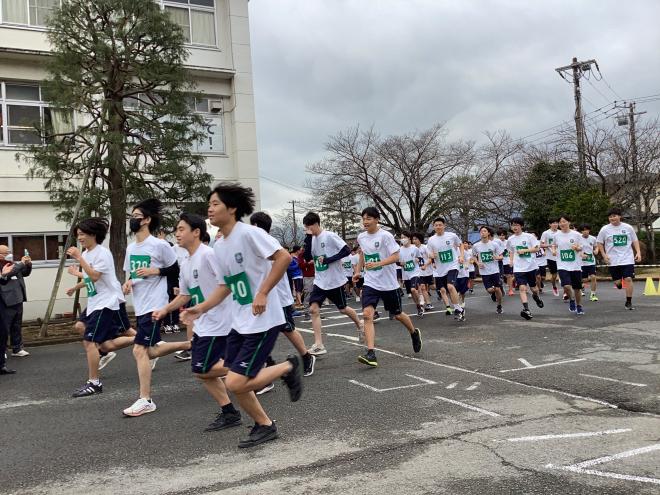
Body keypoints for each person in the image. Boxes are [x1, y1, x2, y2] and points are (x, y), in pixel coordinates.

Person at [183, 183, 302, 448]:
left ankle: (289, 366)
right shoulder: (219, 244)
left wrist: (262, 292)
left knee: (236, 382)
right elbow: (226, 285)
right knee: (236, 381)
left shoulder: (249, 234)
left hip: (262, 319)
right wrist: (200, 308)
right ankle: (265, 425)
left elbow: (283, 258)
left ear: (232, 208)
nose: (210, 209)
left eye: (215, 204)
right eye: (209, 204)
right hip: (240, 321)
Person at [153, 213, 241, 432]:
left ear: (196, 232)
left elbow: (226, 285)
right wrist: (166, 309)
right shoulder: (185, 263)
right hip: (204, 324)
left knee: (202, 368)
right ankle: (229, 411)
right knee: (202, 371)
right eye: (177, 229)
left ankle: (252, 370)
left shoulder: (209, 255)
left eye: (181, 229)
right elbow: (185, 295)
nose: (177, 233)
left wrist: (204, 308)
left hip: (220, 323)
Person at [121, 199, 191, 417]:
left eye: (137, 216)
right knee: (149, 350)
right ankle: (193, 344)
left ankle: (146, 399)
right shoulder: (131, 247)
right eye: (131, 216)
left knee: (139, 349)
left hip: (155, 303)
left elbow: (174, 269)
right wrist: (128, 281)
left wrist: (155, 272)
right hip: (140, 303)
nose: (133, 220)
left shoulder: (159, 245)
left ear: (147, 220)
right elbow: (131, 272)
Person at [66, 218, 136, 397]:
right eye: (78, 234)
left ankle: (94, 382)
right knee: (93, 336)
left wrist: (79, 258)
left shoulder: (102, 253)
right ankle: (140, 339)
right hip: (95, 302)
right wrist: (76, 285)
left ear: (94, 235)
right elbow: (90, 278)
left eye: (82, 234)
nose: (79, 238)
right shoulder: (88, 254)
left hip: (107, 302)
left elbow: (95, 276)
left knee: (90, 341)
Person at [250, 211, 316, 380]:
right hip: (263, 297)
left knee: (287, 328)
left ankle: (306, 356)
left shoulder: (268, 241)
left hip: (278, 296)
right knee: (258, 331)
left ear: (256, 226)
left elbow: (283, 259)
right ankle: (267, 365)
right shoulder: (255, 242)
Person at [353, 207, 422, 367]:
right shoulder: (361, 237)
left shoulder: (385, 236)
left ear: (377, 220)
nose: (365, 221)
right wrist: (358, 271)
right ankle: (371, 353)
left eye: (369, 218)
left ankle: (413, 332)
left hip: (388, 284)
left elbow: (396, 256)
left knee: (397, 314)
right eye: (363, 218)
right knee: (367, 314)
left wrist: (378, 263)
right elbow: (362, 254)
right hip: (371, 282)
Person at [302, 211, 363, 355]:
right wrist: (308, 238)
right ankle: (319, 344)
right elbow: (306, 257)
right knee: (313, 309)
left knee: (343, 308)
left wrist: (329, 259)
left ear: (316, 224)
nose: (308, 230)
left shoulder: (329, 236)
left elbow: (346, 250)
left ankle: (360, 324)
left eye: (309, 227)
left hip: (334, 280)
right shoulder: (311, 239)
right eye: (306, 228)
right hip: (319, 280)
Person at [596, 207, 642, 310]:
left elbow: (635, 240)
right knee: (617, 282)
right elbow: (599, 242)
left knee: (628, 279)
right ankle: (619, 283)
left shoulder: (628, 227)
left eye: (614, 216)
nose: (612, 218)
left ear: (619, 216)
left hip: (627, 258)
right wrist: (604, 254)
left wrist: (638, 252)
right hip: (613, 260)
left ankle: (628, 302)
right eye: (610, 217)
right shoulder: (605, 229)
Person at [425, 217, 465, 321]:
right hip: (440, 268)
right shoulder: (431, 240)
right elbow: (429, 253)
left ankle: (457, 309)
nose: (438, 227)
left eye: (440, 225)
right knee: (447, 290)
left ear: (444, 226)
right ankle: (460, 308)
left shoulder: (452, 236)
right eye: (436, 225)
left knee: (450, 286)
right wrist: (432, 256)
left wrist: (461, 256)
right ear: (433, 227)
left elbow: (460, 245)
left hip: (453, 265)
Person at [506, 218, 544, 320]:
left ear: (521, 226)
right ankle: (526, 309)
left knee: (534, 289)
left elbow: (537, 248)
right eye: (513, 225)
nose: (515, 227)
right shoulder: (510, 239)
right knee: (522, 288)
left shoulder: (529, 237)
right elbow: (511, 251)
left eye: (517, 225)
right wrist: (511, 261)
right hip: (518, 268)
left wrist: (525, 250)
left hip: (531, 267)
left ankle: (536, 297)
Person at [0, 245, 32, 361]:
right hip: (6, 300)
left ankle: (17, 348)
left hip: (18, 298)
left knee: (16, 325)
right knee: (4, 328)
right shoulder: (3, 265)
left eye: (9, 251)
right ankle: (2, 351)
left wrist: (28, 264)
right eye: (6, 252)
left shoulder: (13, 263)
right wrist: (21, 264)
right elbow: (8, 274)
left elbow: (24, 273)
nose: (9, 254)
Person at [550, 214, 585, 316]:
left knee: (577, 288)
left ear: (569, 222)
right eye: (560, 222)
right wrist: (553, 250)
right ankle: (571, 300)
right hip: (562, 264)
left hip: (575, 265)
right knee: (566, 286)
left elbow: (581, 247)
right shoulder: (556, 235)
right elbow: (554, 245)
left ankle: (579, 305)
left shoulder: (576, 234)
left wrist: (577, 248)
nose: (562, 224)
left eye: (564, 221)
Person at [472, 226, 504, 314]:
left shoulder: (494, 244)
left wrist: (497, 257)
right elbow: (474, 256)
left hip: (494, 270)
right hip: (484, 271)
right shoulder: (476, 245)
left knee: (497, 288)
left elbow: (501, 256)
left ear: (488, 233)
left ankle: (499, 305)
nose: (483, 232)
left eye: (485, 231)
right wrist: (478, 263)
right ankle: (495, 291)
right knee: (489, 290)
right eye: (481, 231)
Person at [398, 231, 424, 317]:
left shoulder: (414, 248)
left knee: (413, 289)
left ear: (409, 238)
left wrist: (418, 260)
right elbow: (396, 262)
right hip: (406, 274)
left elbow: (420, 258)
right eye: (401, 238)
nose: (402, 239)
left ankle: (420, 299)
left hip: (415, 272)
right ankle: (418, 306)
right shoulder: (399, 250)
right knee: (411, 292)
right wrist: (400, 263)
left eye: (404, 237)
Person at [411, 233, 433, 311]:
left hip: (428, 270)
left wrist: (425, 265)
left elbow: (431, 258)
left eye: (416, 239)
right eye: (413, 239)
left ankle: (440, 291)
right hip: (418, 272)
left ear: (420, 239)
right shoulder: (412, 248)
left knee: (432, 287)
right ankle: (428, 303)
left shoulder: (425, 247)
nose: (414, 241)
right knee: (422, 287)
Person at [579, 223, 599, 301]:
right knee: (584, 280)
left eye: (587, 230)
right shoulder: (578, 238)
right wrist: (581, 254)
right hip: (581, 262)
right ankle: (582, 287)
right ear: (581, 231)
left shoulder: (593, 238)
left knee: (593, 277)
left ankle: (593, 294)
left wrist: (596, 250)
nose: (585, 231)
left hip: (591, 261)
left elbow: (596, 246)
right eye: (583, 230)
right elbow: (575, 249)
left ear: (589, 230)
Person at [541, 218, 560, 297]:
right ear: (550, 224)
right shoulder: (546, 233)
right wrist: (550, 246)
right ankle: (554, 286)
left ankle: (566, 291)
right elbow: (541, 245)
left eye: (556, 223)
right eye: (553, 223)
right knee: (554, 275)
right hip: (551, 257)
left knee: (563, 273)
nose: (555, 224)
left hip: (561, 256)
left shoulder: (560, 232)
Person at [496, 229, 514, 296]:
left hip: (507, 261)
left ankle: (510, 289)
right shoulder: (495, 243)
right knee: (499, 277)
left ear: (505, 235)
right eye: (500, 235)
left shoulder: (508, 242)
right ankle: (500, 287)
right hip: (499, 261)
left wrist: (511, 260)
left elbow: (511, 251)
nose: (501, 236)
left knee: (509, 276)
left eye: (503, 235)